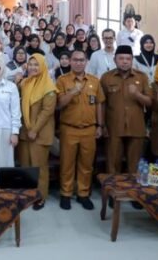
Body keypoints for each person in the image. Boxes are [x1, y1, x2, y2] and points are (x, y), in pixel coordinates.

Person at [55, 49, 104, 210]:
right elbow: (59, 104)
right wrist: (73, 92)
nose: (78, 63)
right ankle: (66, 194)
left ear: (86, 62)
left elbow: (99, 103)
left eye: (81, 60)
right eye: (75, 60)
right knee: (67, 164)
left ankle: (83, 194)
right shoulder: (62, 80)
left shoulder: (94, 81)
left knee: (86, 165)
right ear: (70, 61)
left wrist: (100, 125)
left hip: (89, 129)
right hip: (69, 129)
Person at [100, 45, 152, 175]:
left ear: (132, 60)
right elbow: (101, 103)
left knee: (135, 167)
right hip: (113, 128)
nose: (125, 61)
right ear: (115, 60)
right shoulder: (106, 78)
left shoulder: (142, 77)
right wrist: (102, 125)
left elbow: (150, 102)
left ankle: (133, 188)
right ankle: (113, 188)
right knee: (112, 166)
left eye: (128, 59)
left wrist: (137, 95)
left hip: (136, 128)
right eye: (121, 58)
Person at [17, 53, 58, 209]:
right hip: (25, 132)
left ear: (43, 67)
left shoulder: (49, 86)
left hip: (39, 133)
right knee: (25, 165)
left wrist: (34, 130)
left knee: (39, 167)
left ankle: (40, 196)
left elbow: (47, 112)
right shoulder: (25, 83)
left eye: (36, 65)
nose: (33, 67)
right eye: (31, 64)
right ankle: (27, 194)